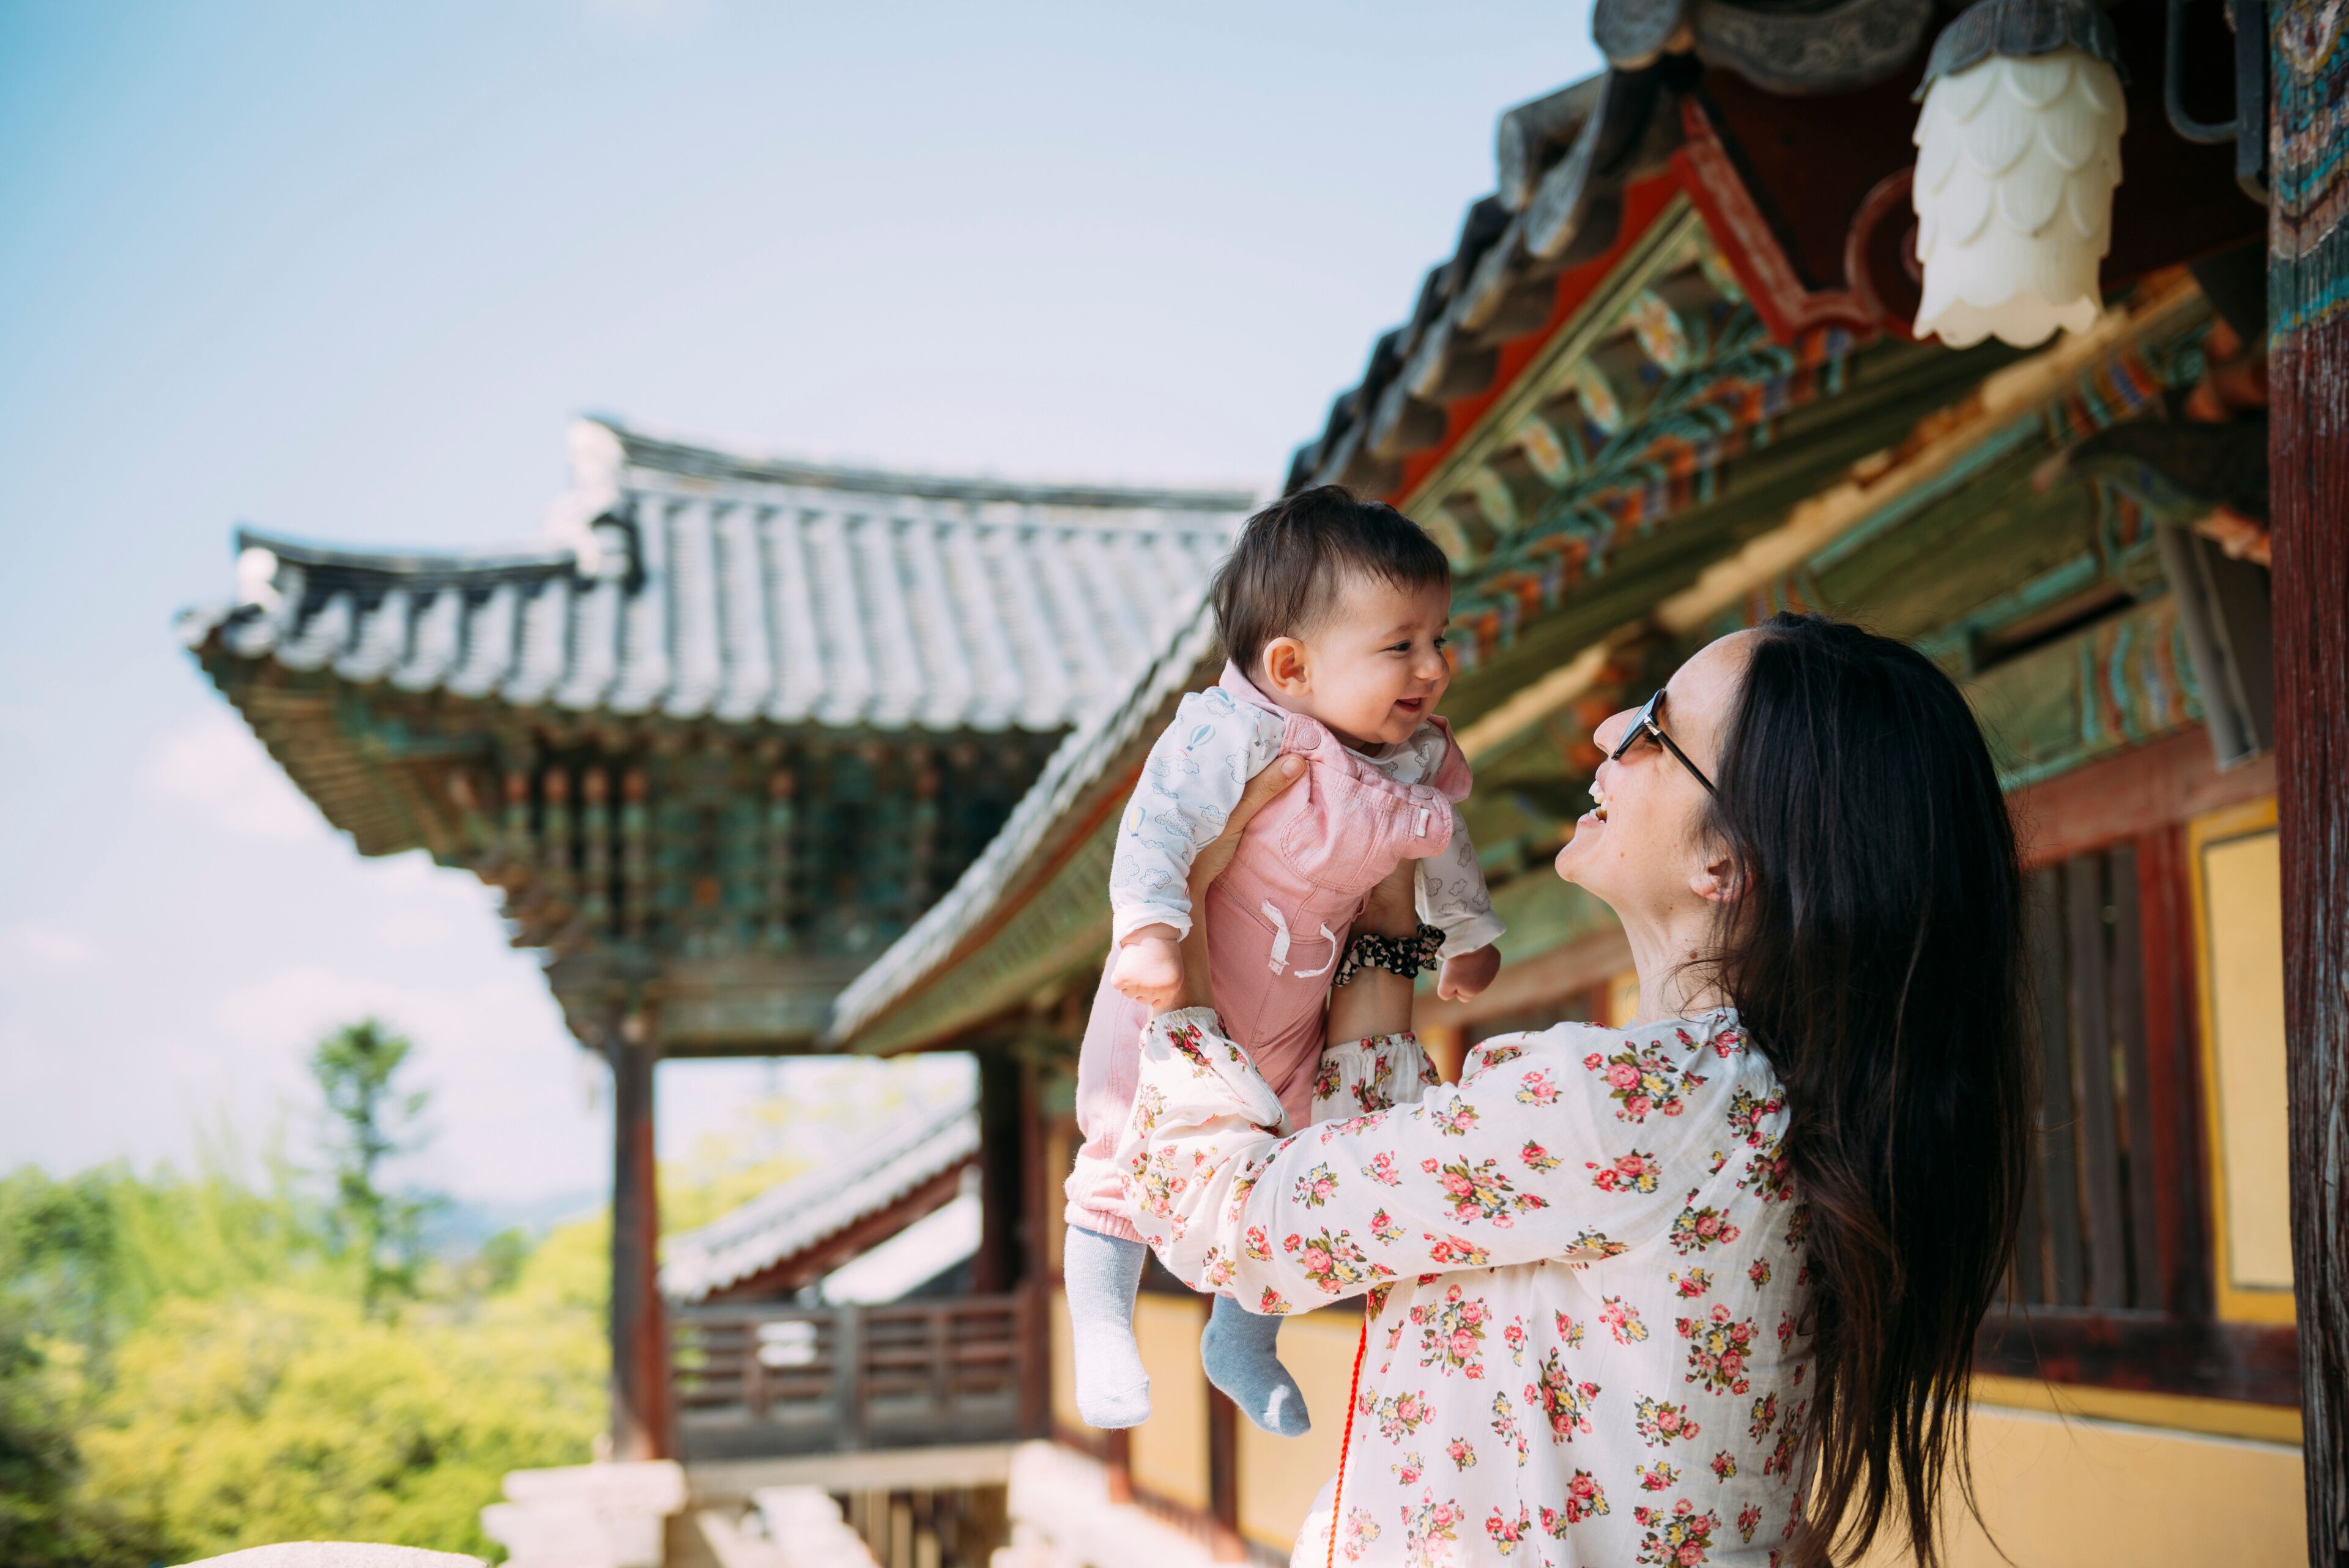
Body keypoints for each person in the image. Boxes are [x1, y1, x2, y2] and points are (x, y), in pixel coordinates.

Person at [1116, 614, 2033, 1568]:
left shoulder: (1623, 1104)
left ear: (1725, 864)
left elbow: (1235, 1219)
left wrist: (1172, 926)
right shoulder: (1751, 1095)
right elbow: (1392, 1197)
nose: (1603, 734)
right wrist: (1388, 920)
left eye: (1650, 730)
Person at [1064, 487, 1507, 1436]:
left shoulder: (1411, 760)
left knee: (1294, 1159)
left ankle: (1243, 1339)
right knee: (1121, 1146)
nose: (1434, 666)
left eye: (1439, 638)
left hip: (1305, 1012)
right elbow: (1162, 825)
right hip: (1182, 984)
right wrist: (1147, 926)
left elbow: (1443, 847)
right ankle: (1101, 1327)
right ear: (1292, 666)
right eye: (1402, 645)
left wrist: (1466, 932)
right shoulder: (1232, 736)